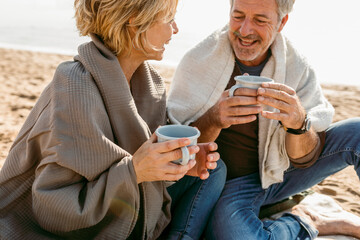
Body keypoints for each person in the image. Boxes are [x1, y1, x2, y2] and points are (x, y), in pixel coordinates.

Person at [0, 0, 226, 239]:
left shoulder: (151, 85)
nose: (176, 29)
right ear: (135, 19)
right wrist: (134, 171)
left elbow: (143, 168)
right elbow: (52, 210)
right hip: (55, 226)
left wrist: (175, 164)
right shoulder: (76, 87)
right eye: (169, 19)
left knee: (214, 170)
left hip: (121, 200)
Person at [167, 0, 360, 239]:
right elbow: (178, 148)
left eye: (260, 20)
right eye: (238, 16)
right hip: (227, 182)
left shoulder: (297, 69)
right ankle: (309, 221)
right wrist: (214, 118)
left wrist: (298, 125)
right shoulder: (198, 62)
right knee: (236, 232)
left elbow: (305, 158)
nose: (245, 30)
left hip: (281, 172)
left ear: (282, 22)